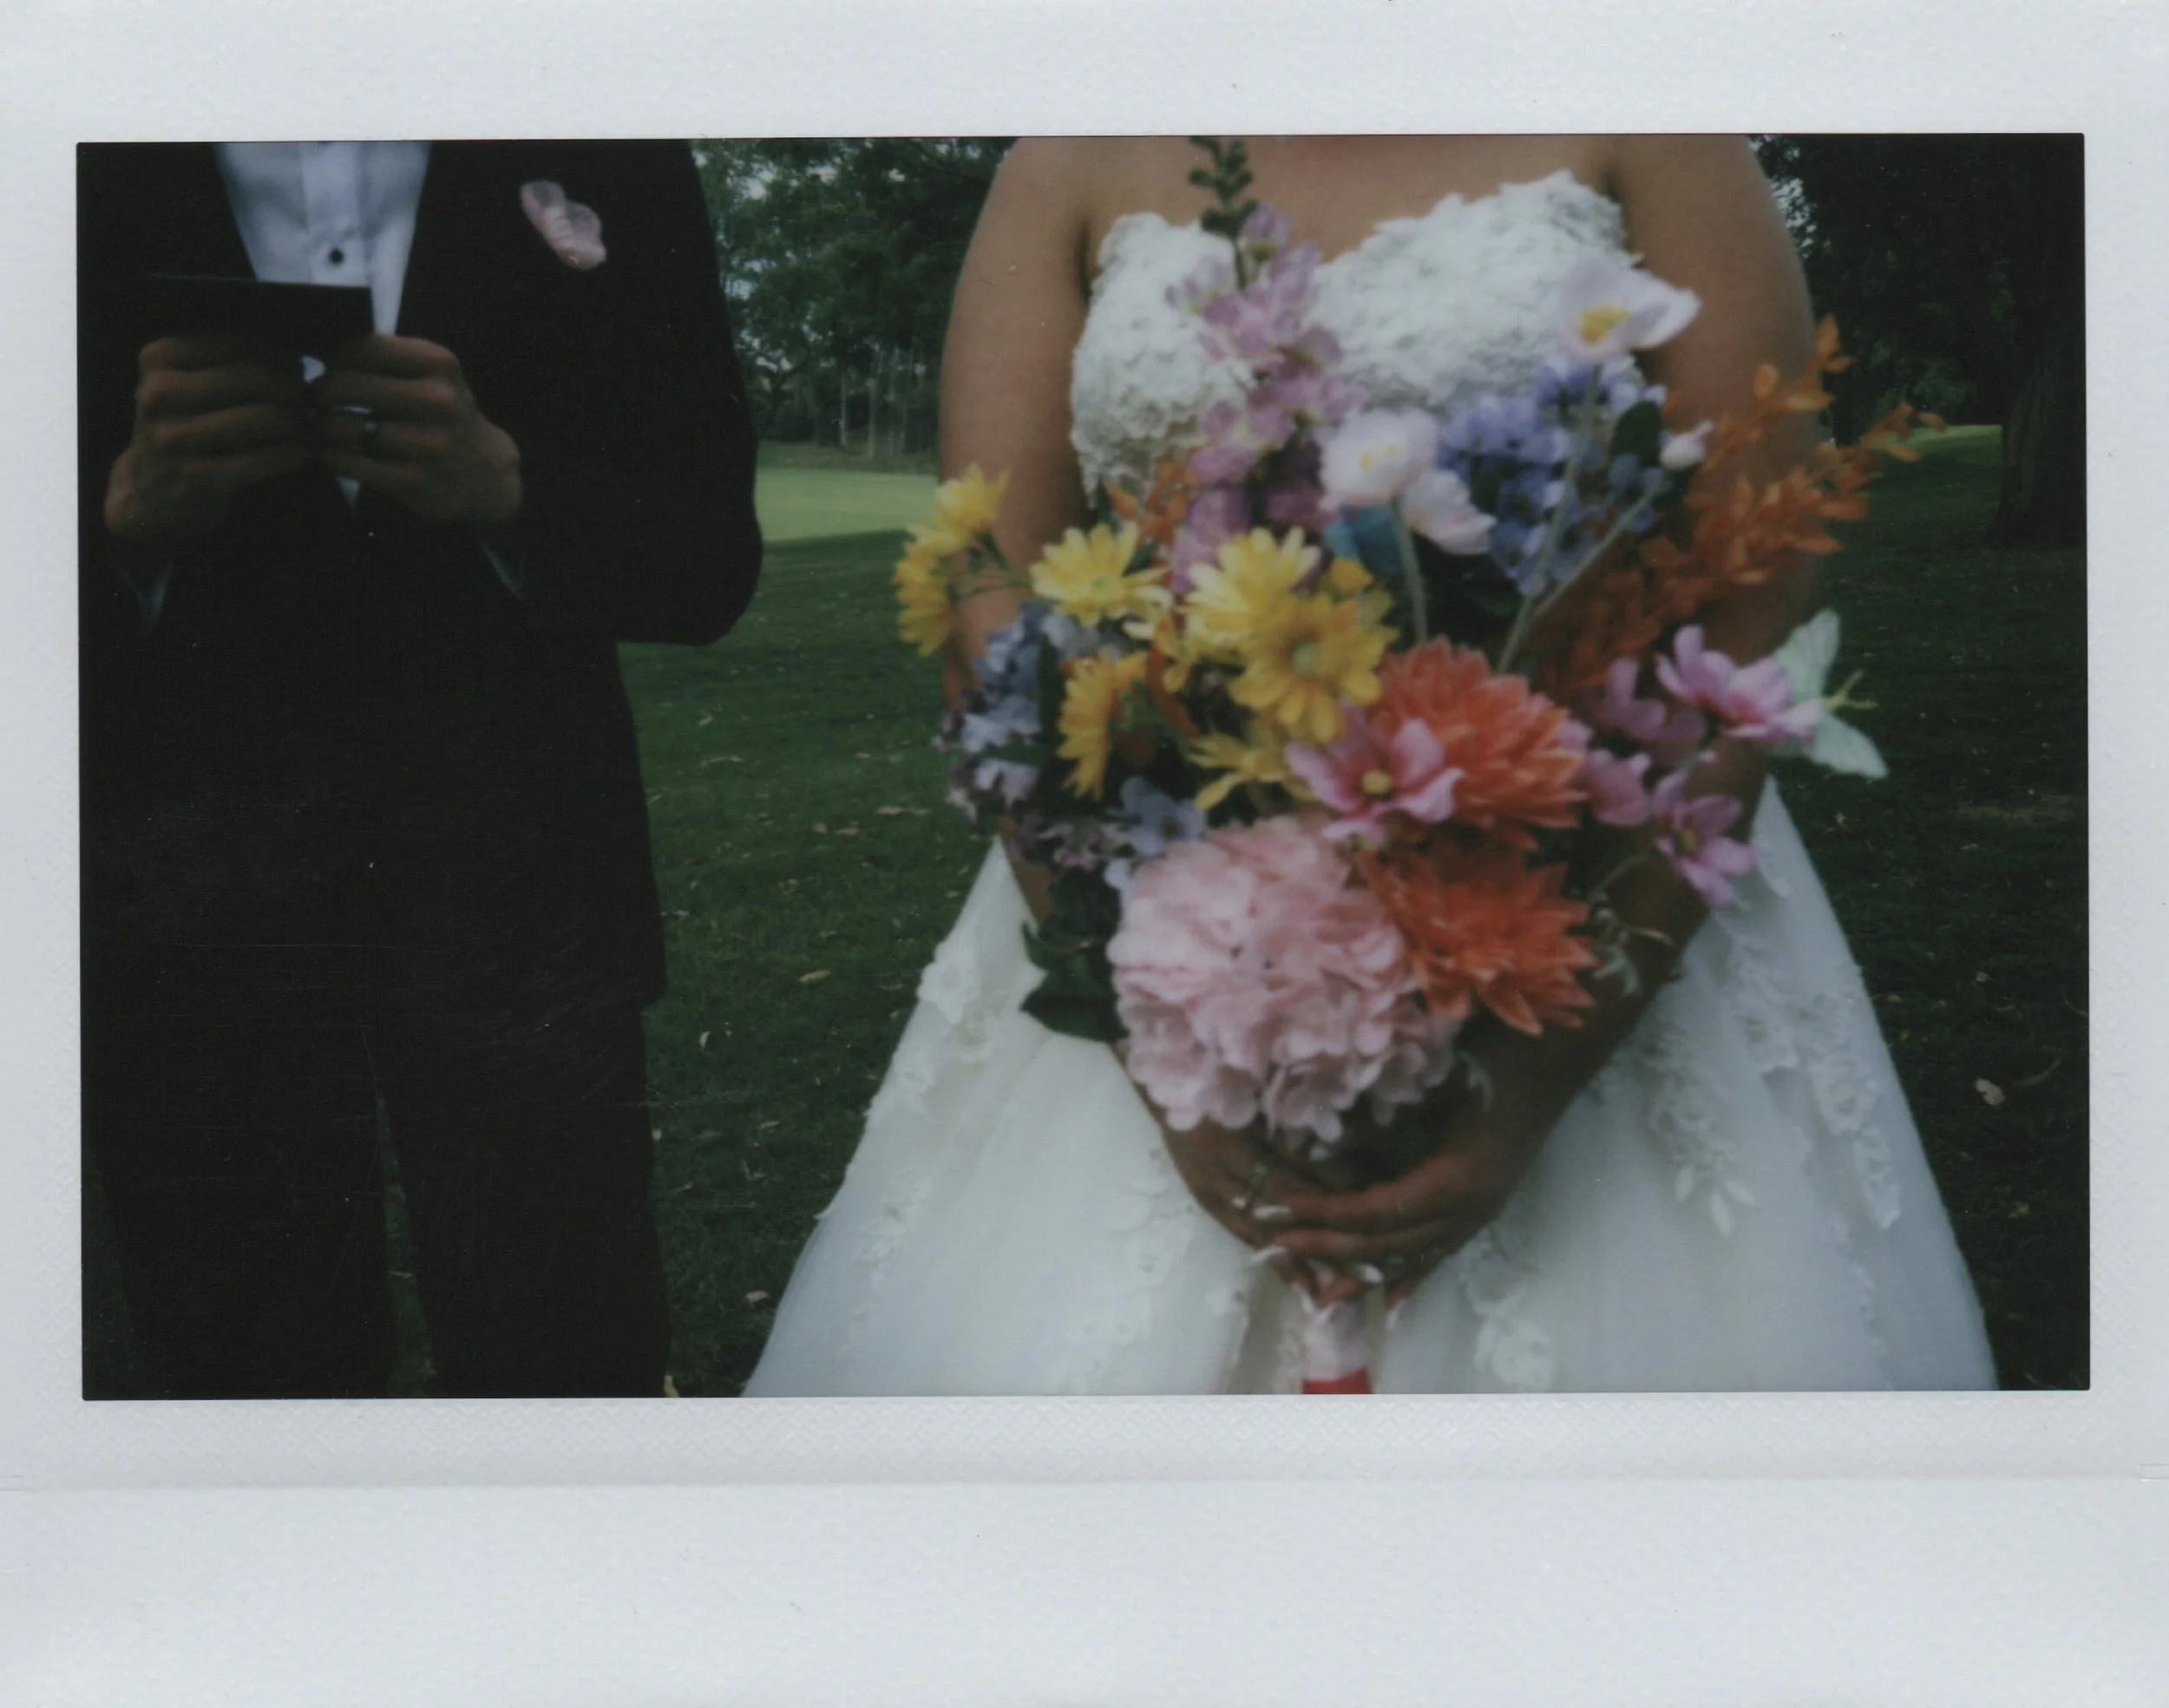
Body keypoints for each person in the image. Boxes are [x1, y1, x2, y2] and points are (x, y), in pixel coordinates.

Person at [744, 135, 1995, 1396]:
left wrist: (1536, 1083)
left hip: (1595, 869)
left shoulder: (1648, 120)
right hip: (1156, 891)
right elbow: (994, 614)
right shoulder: (1070, 151)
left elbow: (1750, 604)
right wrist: (1167, 1046)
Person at [78, 141, 762, 1398]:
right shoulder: (62, 138)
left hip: (529, 897)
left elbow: (709, 559)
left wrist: (513, 490)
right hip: (185, 906)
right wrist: (121, 524)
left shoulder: (604, 136)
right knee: (238, 1396)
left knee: (567, 1381)